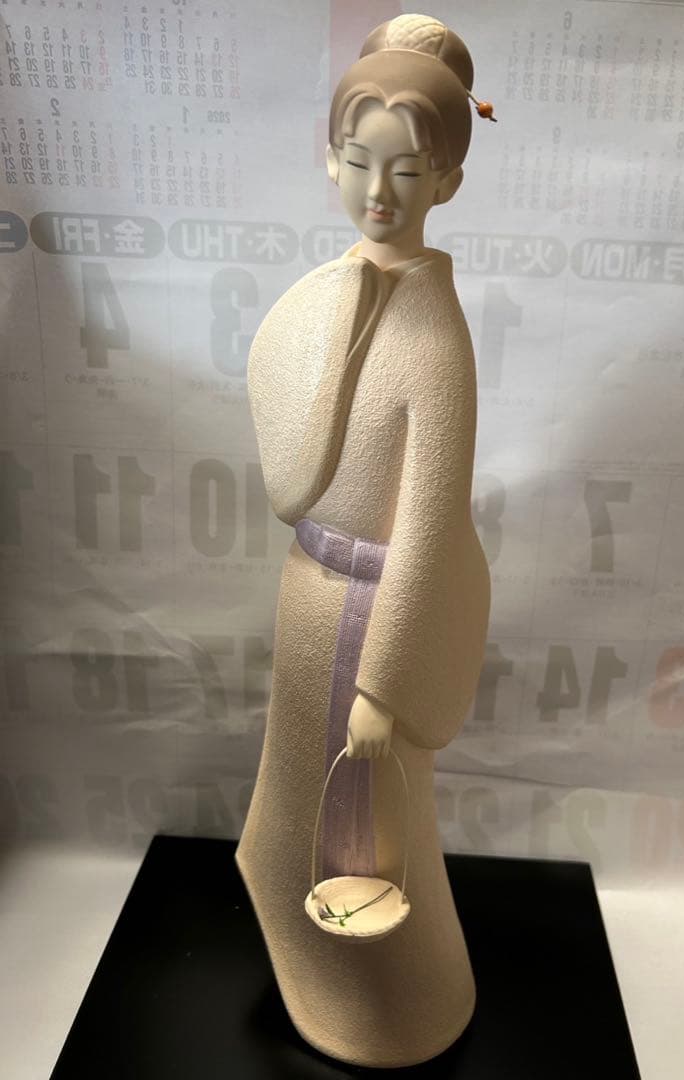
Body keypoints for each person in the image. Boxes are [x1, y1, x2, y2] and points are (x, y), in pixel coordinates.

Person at [236, 14, 492, 1067]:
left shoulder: (437, 344)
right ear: (330, 161)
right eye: (356, 161)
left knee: (366, 831)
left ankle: (394, 1004)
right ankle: (316, 967)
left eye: (407, 171)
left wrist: (386, 682)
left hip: (371, 617)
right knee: (295, 798)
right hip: (309, 588)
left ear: (447, 182)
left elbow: (428, 527)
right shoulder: (328, 298)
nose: (378, 192)